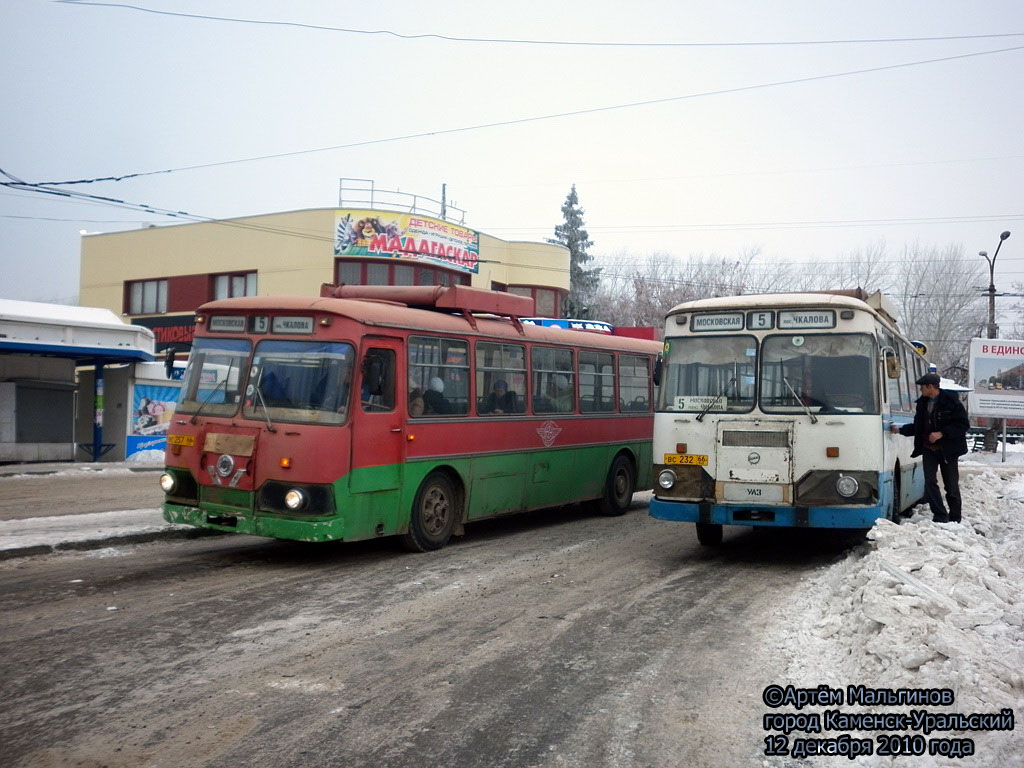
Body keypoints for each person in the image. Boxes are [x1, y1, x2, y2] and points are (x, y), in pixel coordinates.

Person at [891, 373, 970, 523]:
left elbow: (963, 425)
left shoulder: (951, 403)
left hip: (948, 450)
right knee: (930, 482)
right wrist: (900, 430)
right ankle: (940, 515)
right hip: (929, 449)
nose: (921, 390)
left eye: (922, 387)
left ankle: (955, 518)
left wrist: (942, 433)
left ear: (931, 387)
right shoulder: (922, 404)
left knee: (951, 486)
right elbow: (919, 427)